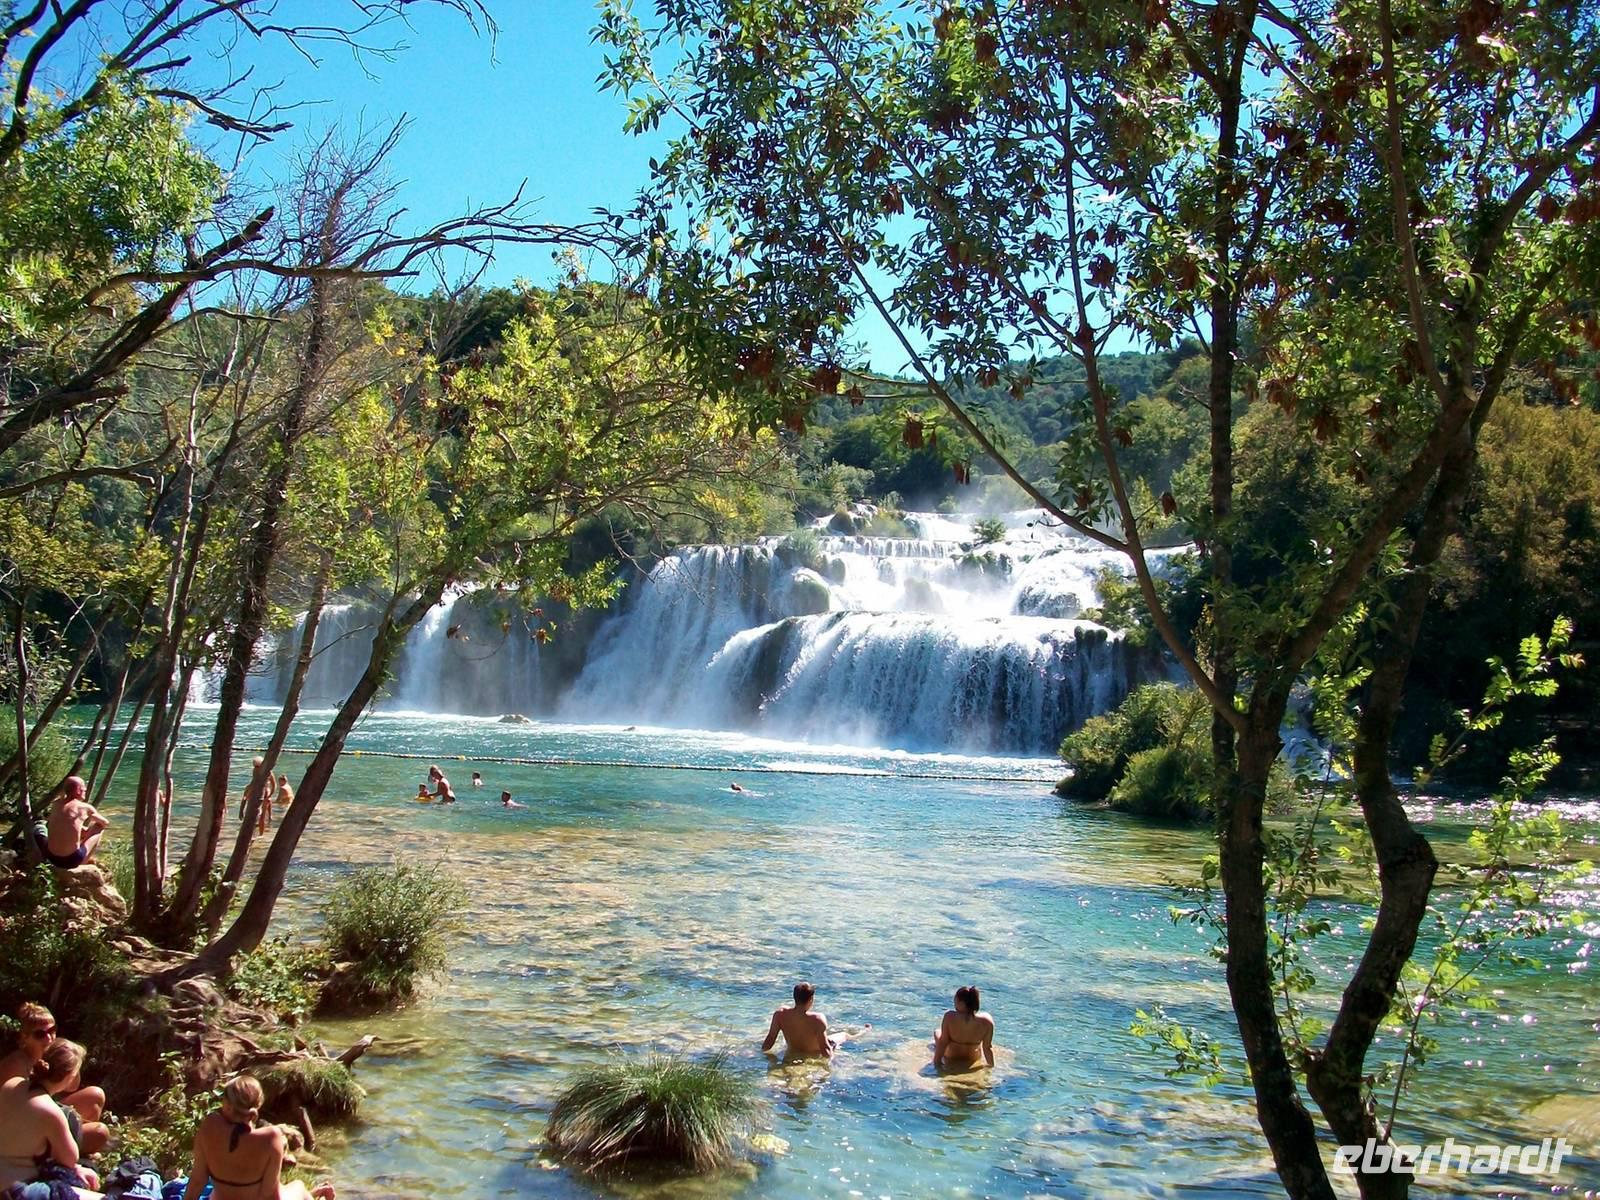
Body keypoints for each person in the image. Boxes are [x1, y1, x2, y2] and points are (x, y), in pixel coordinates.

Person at [183, 1075, 334, 1200]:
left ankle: (313, 1194)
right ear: (258, 1104)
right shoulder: (271, 1137)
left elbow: (197, 1181)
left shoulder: (210, 1125)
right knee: (298, 1187)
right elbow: (271, 1195)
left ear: (227, 1105)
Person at [0, 1006, 109, 1157]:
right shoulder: (15, 1065)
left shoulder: (53, 1053)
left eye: (52, 1030)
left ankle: (76, 1144)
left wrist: (72, 1059)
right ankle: (72, 1149)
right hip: (27, 1129)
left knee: (95, 1095)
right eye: (40, 1034)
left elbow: (72, 1087)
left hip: (46, 1112)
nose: (49, 1038)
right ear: (25, 1037)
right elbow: (14, 1114)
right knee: (99, 1132)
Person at [0, 1039, 100, 1193]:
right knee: (80, 1177)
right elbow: (70, 1159)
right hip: (14, 1188)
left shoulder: (12, 1083)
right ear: (69, 1078)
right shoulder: (51, 1112)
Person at [33, 776, 107, 869]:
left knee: (44, 828)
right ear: (78, 790)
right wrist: (90, 828)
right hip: (71, 860)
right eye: (84, 788)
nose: (85, 790)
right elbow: (105, 823)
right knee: (98, 827)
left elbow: (66, 822)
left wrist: (82, 829)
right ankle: (83, 863)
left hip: (51, 857)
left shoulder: (56, 804)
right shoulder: (84, 807)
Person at [761, 982, 835, 1059]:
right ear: (811, 1000)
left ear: (794, 997)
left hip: (792, 1053)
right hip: (811, 1055)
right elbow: (825, 1051)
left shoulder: (780, 1014)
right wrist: (833, 1059)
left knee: (830, 1039)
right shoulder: (817, 1019)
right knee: (840, 1038)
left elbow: (770, 1040)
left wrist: (761, 1056)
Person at [933, 985, 995, 1069]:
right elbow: (987, 1048)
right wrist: (991, 1066)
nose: (954, 1004)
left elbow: (943, 1042)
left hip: (952, 1055)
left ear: (961, 1003)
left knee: (937, 1032)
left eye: (955, 1001)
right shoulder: (987, 1020)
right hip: (973, 1057)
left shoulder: (950, 1016)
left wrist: (937, 1062)